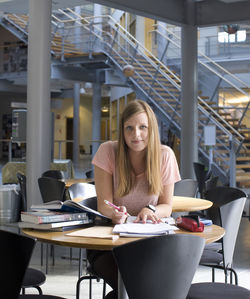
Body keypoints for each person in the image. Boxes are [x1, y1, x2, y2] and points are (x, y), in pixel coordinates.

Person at [87, 99, 181, 299]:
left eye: (142, 127)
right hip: (108, 245)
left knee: (158, 280)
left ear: (152, 129)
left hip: (149, 244)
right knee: (140, 286)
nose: (135, 134)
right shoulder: (107, 151)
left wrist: (151, 209)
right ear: (122, 130)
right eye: (129, 128)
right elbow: (104, 205)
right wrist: (114, 214)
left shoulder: (165, 156)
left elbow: (167, 206)